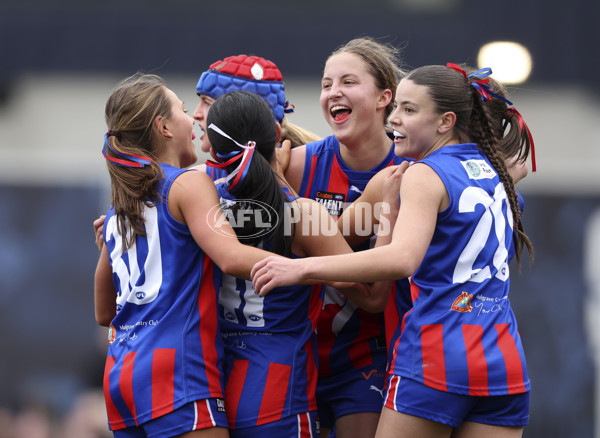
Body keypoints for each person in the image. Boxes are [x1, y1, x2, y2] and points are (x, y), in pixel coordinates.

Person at [251, 64, 535, 437]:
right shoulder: (495, 170)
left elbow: (402, 259)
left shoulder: (422, 173)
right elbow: (517, 170)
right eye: (396, 106)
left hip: (437, 356)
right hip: (504, 361)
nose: (394, 118)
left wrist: (302, 268)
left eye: (409, 110)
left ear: (446, 121)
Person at [94, 73, 275, 438]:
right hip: (177, 374)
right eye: (181, 108)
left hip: (122, 378)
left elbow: (103, 313)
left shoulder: (118, 209)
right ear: (163, 127)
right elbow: (231, 258)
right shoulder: (188, 183)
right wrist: (317, 266)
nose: (192, 118)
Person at [202, 89, 388, 438]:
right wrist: (389, 217)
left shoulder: (202, 202)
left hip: (215, 381)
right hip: (278, 387)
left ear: (211, 149)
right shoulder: (301, 214)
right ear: (277, 134)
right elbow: (373, 297)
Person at [281, 36, 412, 438]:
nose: (333, 92)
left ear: (383, 98)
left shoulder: (413, 170)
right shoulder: (298, 165)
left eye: (348, 82)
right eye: (326, 84)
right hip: (297, 350)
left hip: (370, 353)